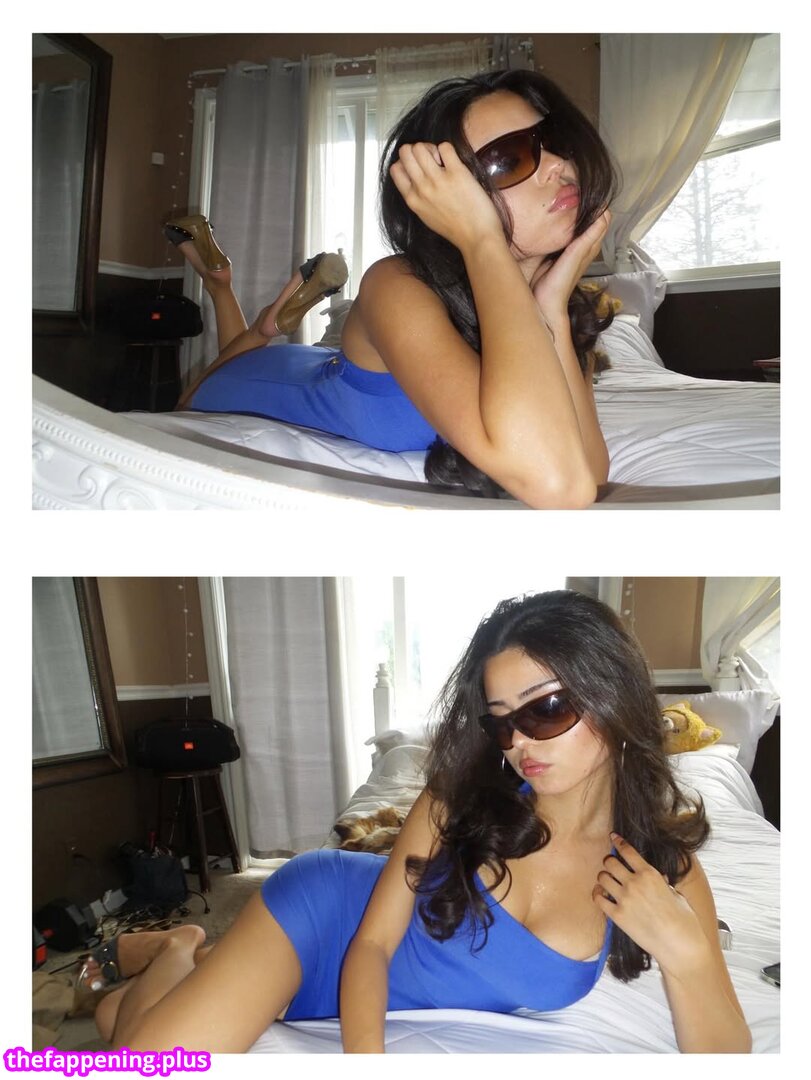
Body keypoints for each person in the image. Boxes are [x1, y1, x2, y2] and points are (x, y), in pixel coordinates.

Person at [81, 591, 751, 1054]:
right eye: (500, 722)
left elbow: (724, 1054)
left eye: (543, 710)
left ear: (614, 697)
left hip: (363, 973)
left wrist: (688, 953)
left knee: (117, 1022)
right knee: (145, 1064)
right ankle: (181, 948)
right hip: (321, 917)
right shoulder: (457, 801)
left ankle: (178, 956)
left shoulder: (663, 872)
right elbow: (372, 945)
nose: (519, 741)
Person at [165, 69, 619, 508]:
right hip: (268, 383)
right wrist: (481, 239)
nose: (558, 164)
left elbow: (587, 475)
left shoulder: (554, 306)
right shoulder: (396, 282)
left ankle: (264, 318)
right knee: (188, 399)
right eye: (511, 158)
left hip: (327, 368)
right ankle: (235, 299)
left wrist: (551, 308)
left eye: (554, 139)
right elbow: (558, 486)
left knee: (271, 344)